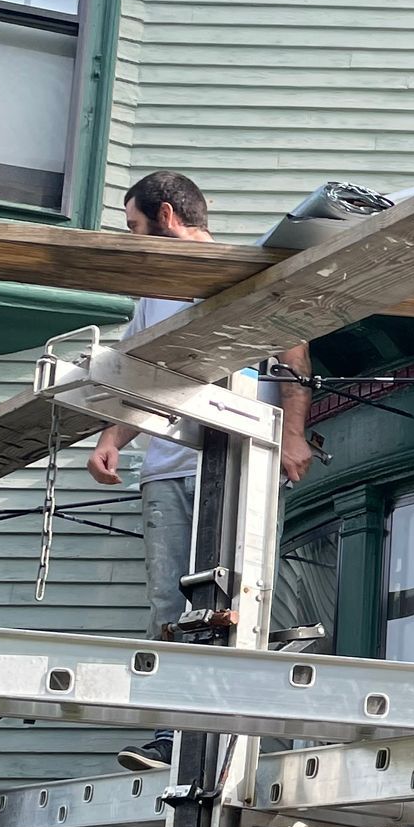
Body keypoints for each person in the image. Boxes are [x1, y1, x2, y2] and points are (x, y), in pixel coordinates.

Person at [88, 170, 315, 771]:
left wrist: (292, 433)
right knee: (169, 602)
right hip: (165, 470)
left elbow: (293, 355)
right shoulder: (152, 296)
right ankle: (175, 735)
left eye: (135, 227)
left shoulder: (245, 273)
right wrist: (112, 437)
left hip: (242, 461)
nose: (133, 241)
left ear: (166, 216)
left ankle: (251, 731)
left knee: (243, 596)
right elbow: (140, 378)